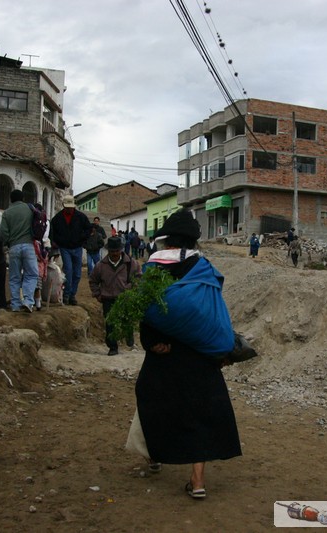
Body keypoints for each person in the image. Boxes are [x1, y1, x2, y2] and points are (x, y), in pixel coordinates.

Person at [134, 209, 241, 500]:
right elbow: (212, 311)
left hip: (165, 354)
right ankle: (197, 482)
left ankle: (154, 455)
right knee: (201, 412)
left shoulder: (155, 268)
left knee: (152, 399)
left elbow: (146, 310)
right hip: (199, 356)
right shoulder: (203, 268)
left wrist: (152, 341)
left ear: (168, 241)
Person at [89, 237, 141, 355]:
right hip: (107, 298)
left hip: (125, 297)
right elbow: (93, 280)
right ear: (108, 251)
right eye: (112, 251)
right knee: (110, 323)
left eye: (116, 251)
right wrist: (97, 294)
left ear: (121, 250)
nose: (114, 254)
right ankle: (113, 347)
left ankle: (129, 340)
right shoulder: (100, 265)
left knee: (127, 320)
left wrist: (132, 288)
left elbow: (138, 277)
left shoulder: (131, 263)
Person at [49, 195, 91, 306]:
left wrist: (82, 238)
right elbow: (52, 232)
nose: (69, 209)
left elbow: (88, 229)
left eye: (70, 207)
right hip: (64, 248)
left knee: (77, 273)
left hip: (77, 247)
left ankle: (73, 295)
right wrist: (55, 242)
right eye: (67, 207)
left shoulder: (81, 217)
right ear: (63, 206)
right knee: (68, 270)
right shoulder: (57, 218)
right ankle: (66, 294)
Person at [0, 189, 38, 312]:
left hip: (14, 247)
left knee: (14, 277)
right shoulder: (29, 209)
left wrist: (7, 243)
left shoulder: (7, 213)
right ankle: (28, 301)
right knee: (31, 274)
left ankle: (15, 305)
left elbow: (4, 233)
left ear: (11, 199)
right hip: (28, 246)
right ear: (23, 198)